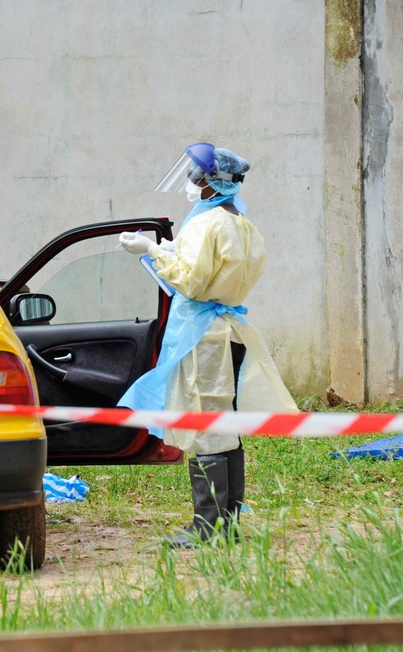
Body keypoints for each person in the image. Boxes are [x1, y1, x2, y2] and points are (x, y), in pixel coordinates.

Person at [117, 142, 296, 548]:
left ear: (212, 183)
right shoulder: (240, 223)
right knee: (224, 425)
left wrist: (149, 249)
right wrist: (161, 251)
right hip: (224, 329)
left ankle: (207, 526)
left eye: (194, 176)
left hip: (201, 336)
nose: (189, 183)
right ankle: (226, 523)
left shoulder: (205, 224)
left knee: (205, 425)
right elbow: (211, 274)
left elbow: (192, 280)